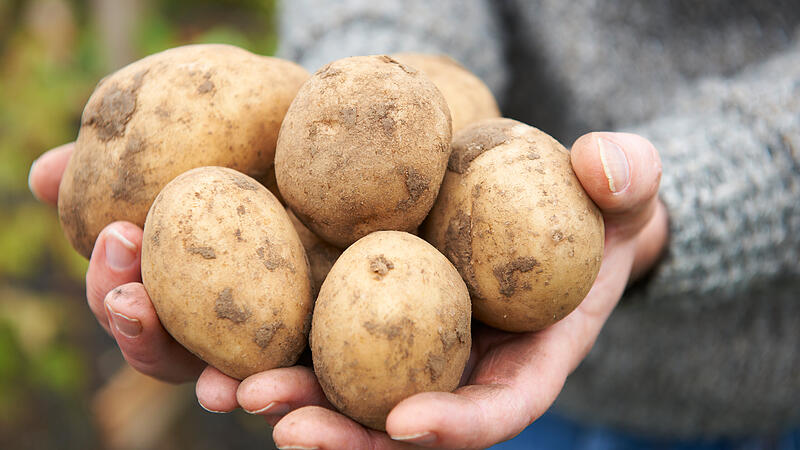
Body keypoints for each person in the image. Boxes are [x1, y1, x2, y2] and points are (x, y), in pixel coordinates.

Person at [28, 1, 800, 448]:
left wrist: (679, 197)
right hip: (511, 406)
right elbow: (378, 112)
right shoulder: (371, 134)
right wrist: (371, 61)